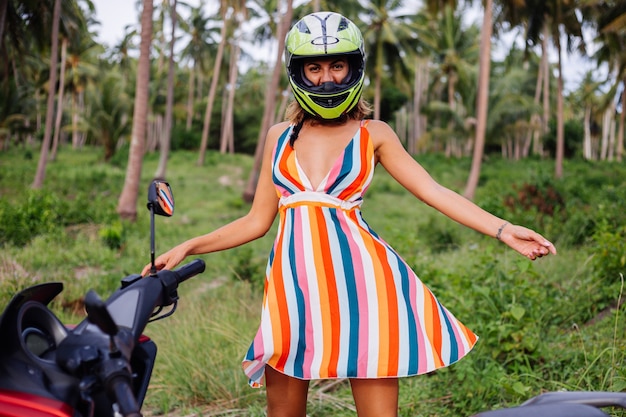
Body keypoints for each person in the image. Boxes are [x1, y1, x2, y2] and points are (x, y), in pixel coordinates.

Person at [143, 11, 556, 417]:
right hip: (293, 293)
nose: (327, 78)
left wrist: (503, 229)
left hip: (366, 291)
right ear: (298, 72)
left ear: (353, 67)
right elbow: (256, 221)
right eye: (316, 67)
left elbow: (434, 191)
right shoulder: (279, 137)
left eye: (338, 65)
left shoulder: (374, 134)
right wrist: (188, 245)